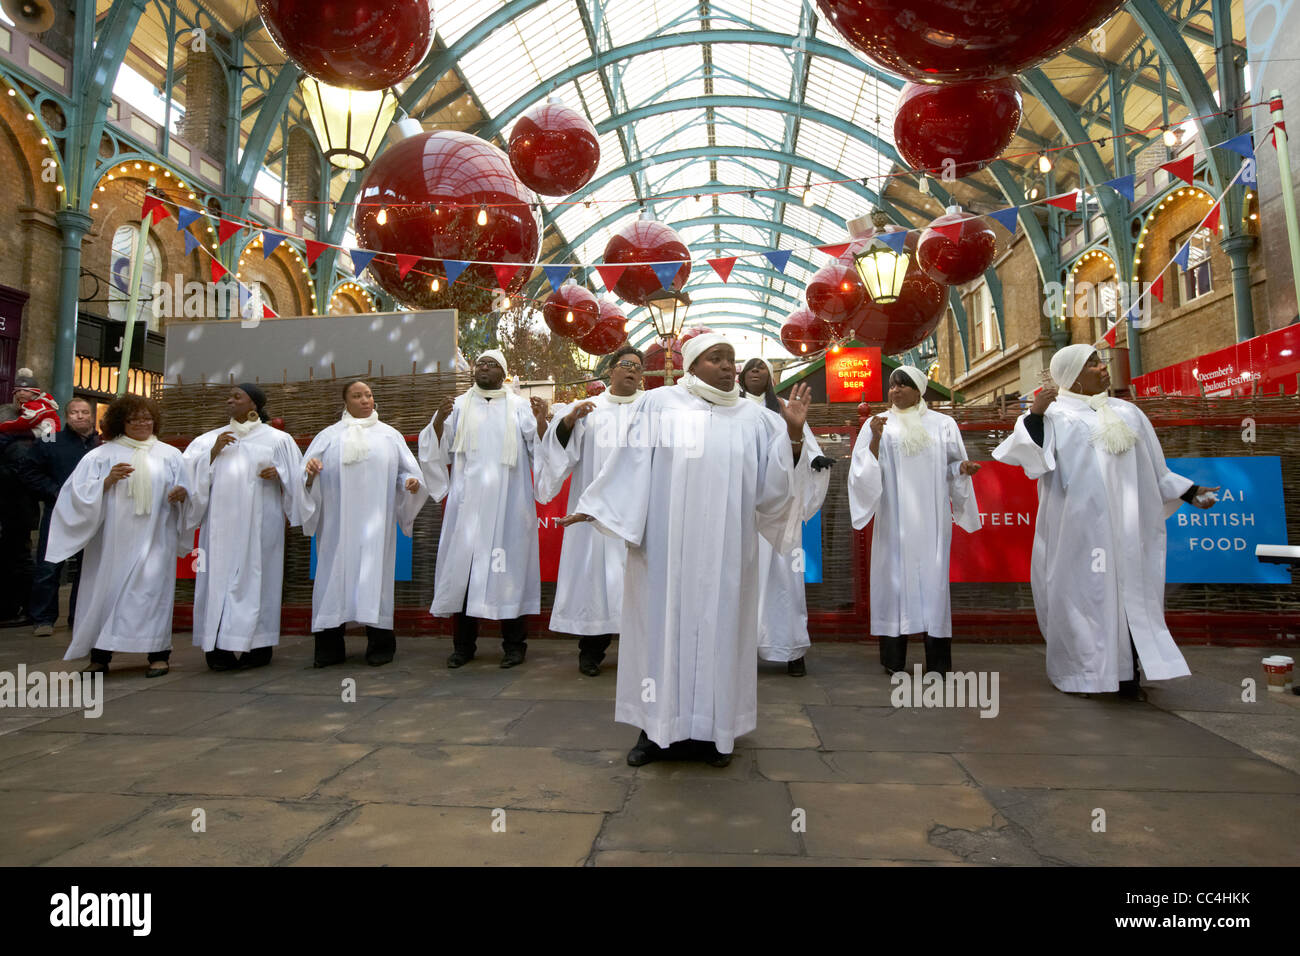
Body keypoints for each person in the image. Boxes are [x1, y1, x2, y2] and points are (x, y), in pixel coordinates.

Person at [563, 333, 815, 768]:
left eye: (731, 359)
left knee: (721, 633)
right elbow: (630, 463)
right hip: (664, 551)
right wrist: (600, 507)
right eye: (716, 358)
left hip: (727, 554)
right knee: (660, 633)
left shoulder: (755, 420)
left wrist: (792, 435)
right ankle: (654, 731)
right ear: (692, 365)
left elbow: (772, 491)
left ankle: (715, 733)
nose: (727, 367)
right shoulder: (658, 405)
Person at [993, 345, 1219, 700]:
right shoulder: (1055, 415)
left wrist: (1189, 492)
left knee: (1130, 597)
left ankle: (1128, 678)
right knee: (1083, 599)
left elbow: (1154, 468)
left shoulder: (1128, 413)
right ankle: (1083, 674)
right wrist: (1035, 414)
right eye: (1093, 364)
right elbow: (1031, 457)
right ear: (1072, 376)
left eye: (1100, 361)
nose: (1102, 368)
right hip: (1079, 531)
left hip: (1128, 529)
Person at [46, 395, 195, 676]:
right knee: (105, 594)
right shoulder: (101, 456)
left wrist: (182, 494)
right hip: (111, 544)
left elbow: (189, 492)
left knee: (152, 595)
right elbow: (74, 496)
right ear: (120, 422)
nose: (142, 423)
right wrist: (106, 482)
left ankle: (158, 654)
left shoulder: (170, 455)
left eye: (147, 418)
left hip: (155, 540)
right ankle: (100, 657)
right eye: (134, 419)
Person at [848, 366, 981, 676]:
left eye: (903, 385)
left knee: (933, 585)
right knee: (894, 584)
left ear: (919, 389)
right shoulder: (877, 423)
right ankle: (893, 660)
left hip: (931, 521)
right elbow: (863, 471)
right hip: (895, 520)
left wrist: (961, 468)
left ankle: (938, 661)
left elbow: (949, 466)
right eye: (892, 385)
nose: (895, 391)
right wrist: (875, 440)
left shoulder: (943, 424)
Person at [421, 350, 547, 669]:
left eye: (491, 365)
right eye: (480, 364)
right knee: (464, 573)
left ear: (503, 373)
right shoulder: (459, 406)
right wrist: (437, 419)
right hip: (468, 510)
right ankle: (463, 647)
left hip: (509, 508)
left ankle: (514, 647)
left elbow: (542, 450)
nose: (483, 368)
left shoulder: (519, 407)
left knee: (509, 576)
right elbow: (436, 448)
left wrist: (543, 420)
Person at [301, 381, 431, 668]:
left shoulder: (389, 436)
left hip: (376, 526)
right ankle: (329, 648)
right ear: (345, 402)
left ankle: (380, 646)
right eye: (357, 396)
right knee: (333, 578)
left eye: (369, 395)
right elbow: (305, 478)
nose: (365, 400)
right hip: (337, 527)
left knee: (376, 580)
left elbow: (407, 472)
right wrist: (310, 475)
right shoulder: (328, 437)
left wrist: (409, 483)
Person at [535, 345, 645, 676]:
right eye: (625, 364)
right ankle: (591, 651)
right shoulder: (587, 409)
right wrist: (568, 420)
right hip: (595, 513)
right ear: (610, 370)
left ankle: (640, 654)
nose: (632, 371)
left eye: (638, 367)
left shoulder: (651, 410)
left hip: (636, 512)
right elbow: (557, 451)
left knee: (638, 582)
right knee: (596, 579)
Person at [184, 384, 305, 671]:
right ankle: (217, 649)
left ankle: (258, 645)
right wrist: (212, 454)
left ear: (254, 403)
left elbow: (299, 480)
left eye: (237, 396)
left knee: (260, 580)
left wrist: (281, 473)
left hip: (262, 525)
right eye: (229, 396)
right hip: (220, 528)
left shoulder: (278, 440)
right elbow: (187, 478)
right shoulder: (208, 440)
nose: (230, 400)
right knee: (217, 581)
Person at [738, 357, 832, 676]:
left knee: (785, 581)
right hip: (742, 508)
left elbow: (804, 444)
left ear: (769, 376)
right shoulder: (726, 408)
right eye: (749, 366)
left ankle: (790, 648)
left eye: (760, 366)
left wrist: (814, 460)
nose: (754, 370)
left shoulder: (783, 408)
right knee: (739, 580)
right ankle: (737, 652)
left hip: (779, 506)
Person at [17, 396, 100, 636]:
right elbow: (28, 470)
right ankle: (43, 619)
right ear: (67, 416)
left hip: (91, 512)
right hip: (58, 511)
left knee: (87, 568)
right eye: (75, 412)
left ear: (91, 416)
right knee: (49, 565)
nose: (80, 416)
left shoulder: (101, 443)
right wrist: (53, 491)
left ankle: (79, 617)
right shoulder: (50, 440)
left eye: (84, 412)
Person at [0, 368, 61, 441]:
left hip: (46, 434)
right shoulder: (31, 403)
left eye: (26, 390)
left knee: (7, 436)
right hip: (44, 433)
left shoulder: (37, 405)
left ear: (35, 393)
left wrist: (3, 426)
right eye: (18, 390)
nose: (21, 393)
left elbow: (24, 422)